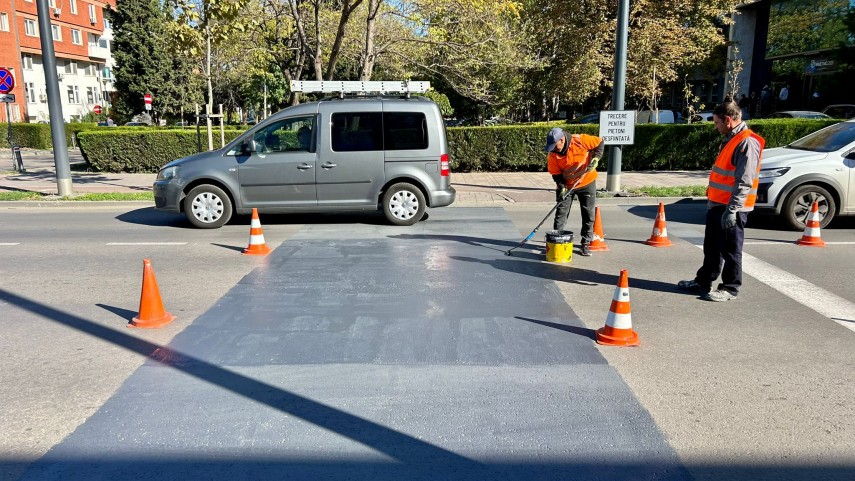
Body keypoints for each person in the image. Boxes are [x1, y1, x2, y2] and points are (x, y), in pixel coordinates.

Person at [678, 101, 764, 302]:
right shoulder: (731, 138)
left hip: (731, 207)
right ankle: (703, 281)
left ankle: (730, 287)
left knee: (731, 249)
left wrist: (732, 210)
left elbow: (744, 180)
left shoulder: (747, 142)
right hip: (718, 204)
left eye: (717, 122)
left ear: (728, 120)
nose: (715, 126)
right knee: (712, 247)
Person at [544, 127, 604, 256]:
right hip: (566, 184)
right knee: (561, 213)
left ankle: (585, 243)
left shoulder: (580, 140)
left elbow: (599, 143)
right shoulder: (552, 155)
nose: (554, 149)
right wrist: (562, 187)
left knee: (588, 213)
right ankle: (557, 241)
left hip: (586, 181)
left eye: (555, 146)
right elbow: (556, 174)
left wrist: (596, 158)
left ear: (562, 140)